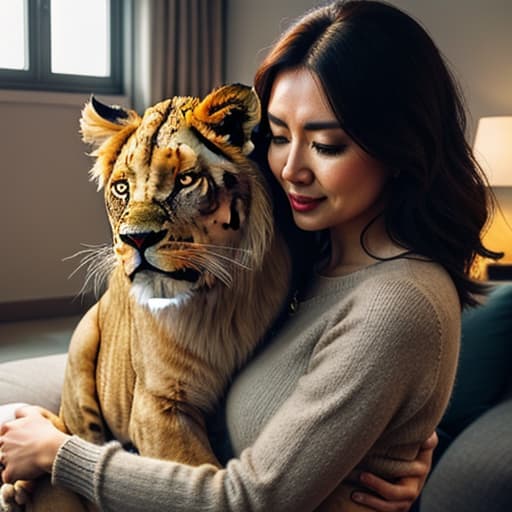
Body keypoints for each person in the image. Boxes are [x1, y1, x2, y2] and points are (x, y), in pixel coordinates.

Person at [0, 1, 500, 510]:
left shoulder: (396, 304)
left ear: (401, 145)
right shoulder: (299, 248)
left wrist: (63, 454)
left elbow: (248, 501)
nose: (290, 170)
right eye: (279, 137)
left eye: (326, 145)